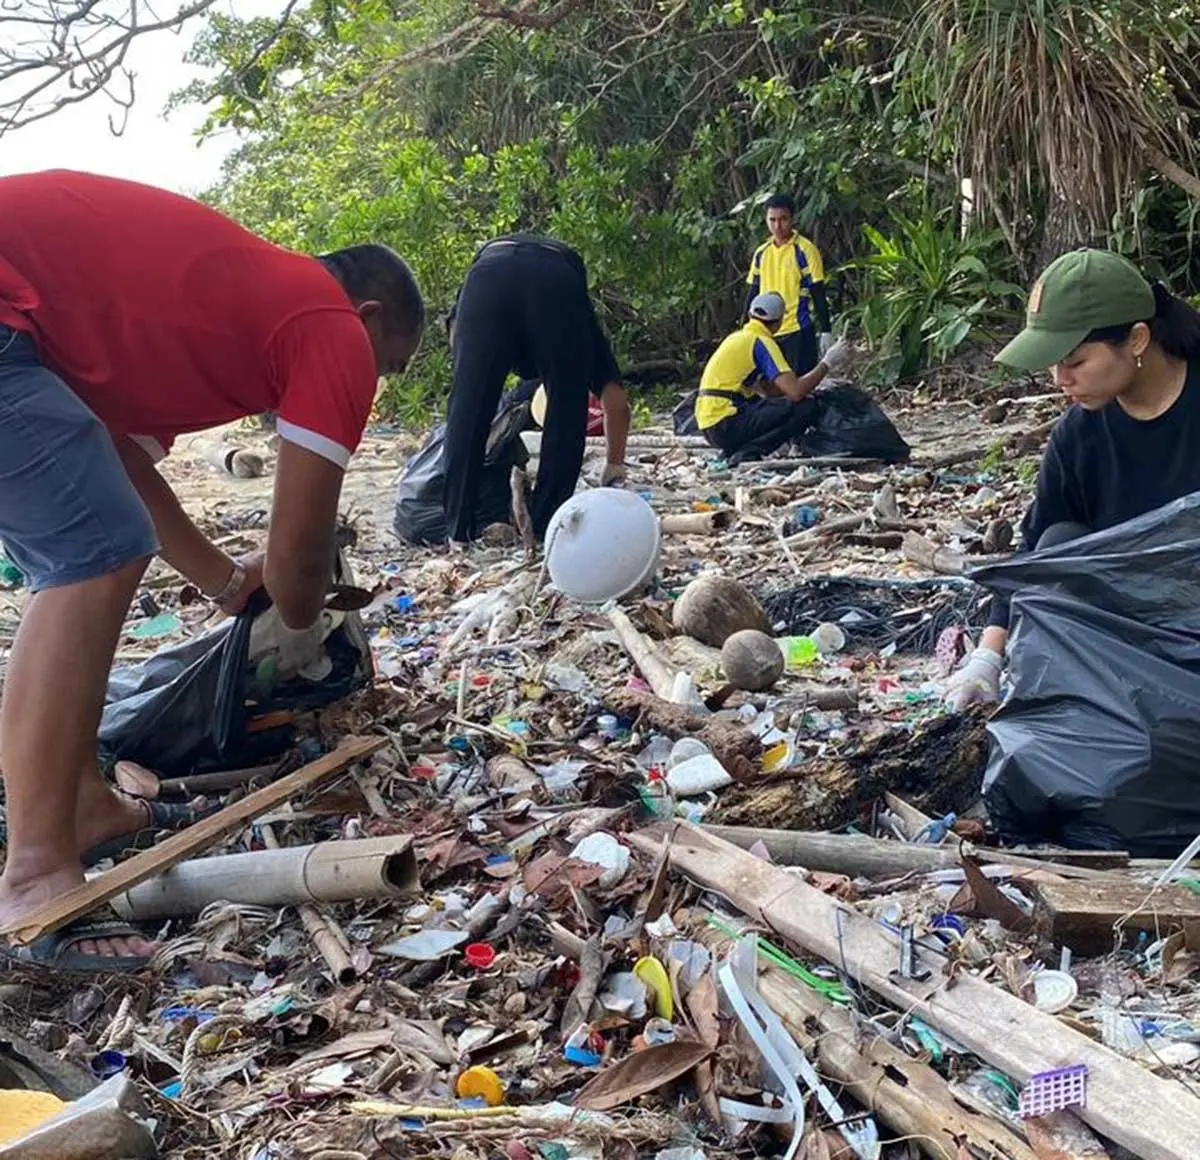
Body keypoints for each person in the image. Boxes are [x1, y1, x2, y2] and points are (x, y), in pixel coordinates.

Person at [0, 170, 424, 970]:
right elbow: (299, 582)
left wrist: (230, 583)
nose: (368, 386)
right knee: (90, 554)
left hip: (20, 325)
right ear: (366, 317)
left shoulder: (204, 328)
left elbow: (119, 462)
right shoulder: (328, 322)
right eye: (384, 366)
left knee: (98, 536)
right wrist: (296, 582)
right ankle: (33, 876)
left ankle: (82, 803)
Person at [945, 247, 1200, 710]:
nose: (1060, 379)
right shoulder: (1079, 436)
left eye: (1075, 361)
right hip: (1134, 632)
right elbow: (1041, 549)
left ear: (1138, 339)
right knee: (1062, 538)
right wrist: (987, 657)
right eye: (1054, 363)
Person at [443, 235, 631, 542]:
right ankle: (546, 530)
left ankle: (457, 534)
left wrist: (469, 374)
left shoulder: (472, 304)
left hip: (488, 275)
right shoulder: (581, 321)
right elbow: (617, 403)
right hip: (556, 280)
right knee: (567, 407)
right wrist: (614, 466)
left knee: (468, 408)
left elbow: (458, 343)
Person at [695, 291, 851, 462]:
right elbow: (795, 392)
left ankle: (735, 450)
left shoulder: (736, 338)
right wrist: (827, 362)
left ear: (750, 314)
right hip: (727, 423)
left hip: (709, 424)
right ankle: (748, 452)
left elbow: (768, 390)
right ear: (779, 323)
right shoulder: (761, 342)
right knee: (806, 406)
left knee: (783, 404)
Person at [746, 193, 832, 375]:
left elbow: (817, 291)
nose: (777, 226)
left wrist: (826, 330)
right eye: (772, 220)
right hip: (766, 331)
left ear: (792, 219)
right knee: (772, 391)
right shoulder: (762, 253)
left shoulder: (805, 250)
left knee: (801, 388)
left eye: (783, 219)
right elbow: (753, 291)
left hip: (797, 330)